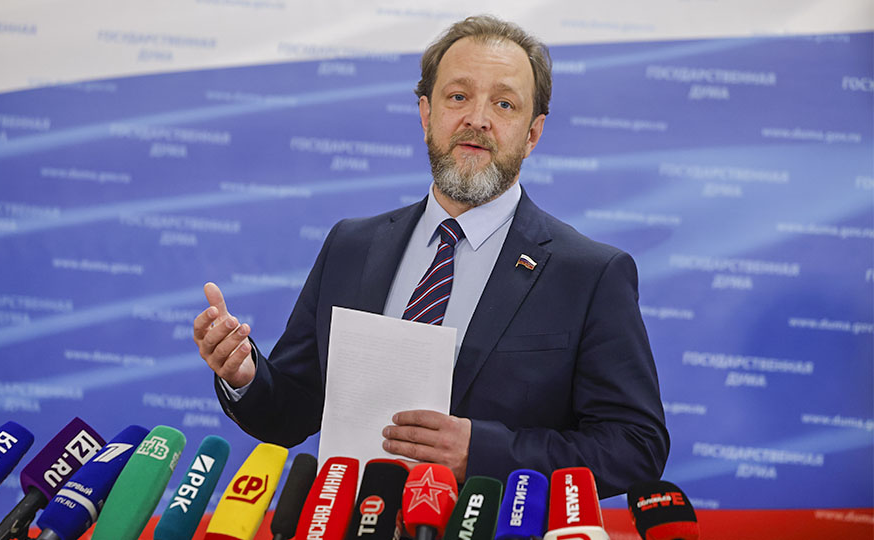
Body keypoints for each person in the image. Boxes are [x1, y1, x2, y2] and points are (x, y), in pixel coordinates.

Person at [193, 15, 669, 497]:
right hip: (348, 521)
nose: (477, 119)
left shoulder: (589, 275)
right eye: (458, 96)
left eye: (504, 104)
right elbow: (293, 410)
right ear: (426, 114)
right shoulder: (351, 246)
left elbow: (635, 447)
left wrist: (482, 452)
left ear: (533, 134)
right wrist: (245, 376)